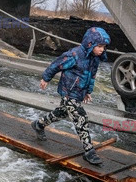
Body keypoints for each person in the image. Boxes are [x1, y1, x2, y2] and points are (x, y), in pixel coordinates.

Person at [31, 27, 111, 165]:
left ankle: (39, 124)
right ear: (90, 44)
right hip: (68, 91)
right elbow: (56, 64)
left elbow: (91, 76)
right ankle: (89, 150)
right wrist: (45, 78)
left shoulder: (94, 59)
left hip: (79, 92)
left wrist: (88, 92)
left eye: (104, 47)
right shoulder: (74, 55)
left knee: (62, 113)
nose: (102, 50)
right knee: (81, 117)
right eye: (99, 46)